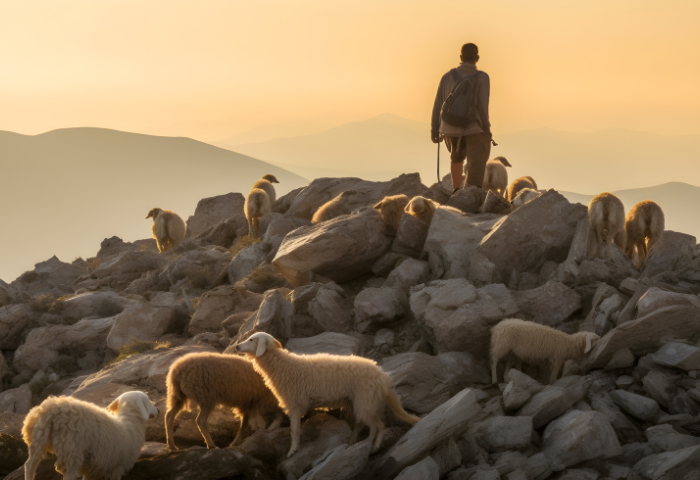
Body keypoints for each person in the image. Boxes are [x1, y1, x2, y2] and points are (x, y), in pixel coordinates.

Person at [431, 43, 492, 192]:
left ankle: (457, 191)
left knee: (456, 158)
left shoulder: (446, 77)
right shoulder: (482, 78)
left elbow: (438, 104)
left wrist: (434, 130)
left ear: (461, 57)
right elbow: (483, 107)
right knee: (476, 162)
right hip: (473, 128)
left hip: (450, 127)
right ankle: (472, 195)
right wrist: (486, 129)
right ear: (477, 58)